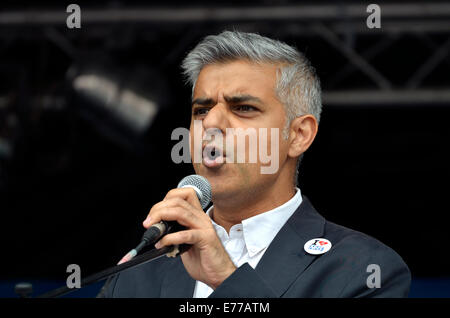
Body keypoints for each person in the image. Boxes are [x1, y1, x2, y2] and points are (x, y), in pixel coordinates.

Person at [100, 31, 411, 298]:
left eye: (244, 108)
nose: (212, 122)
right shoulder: (137, 273)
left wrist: (227, 280)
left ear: (299, 135)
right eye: (201, 110)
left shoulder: (363, 268)